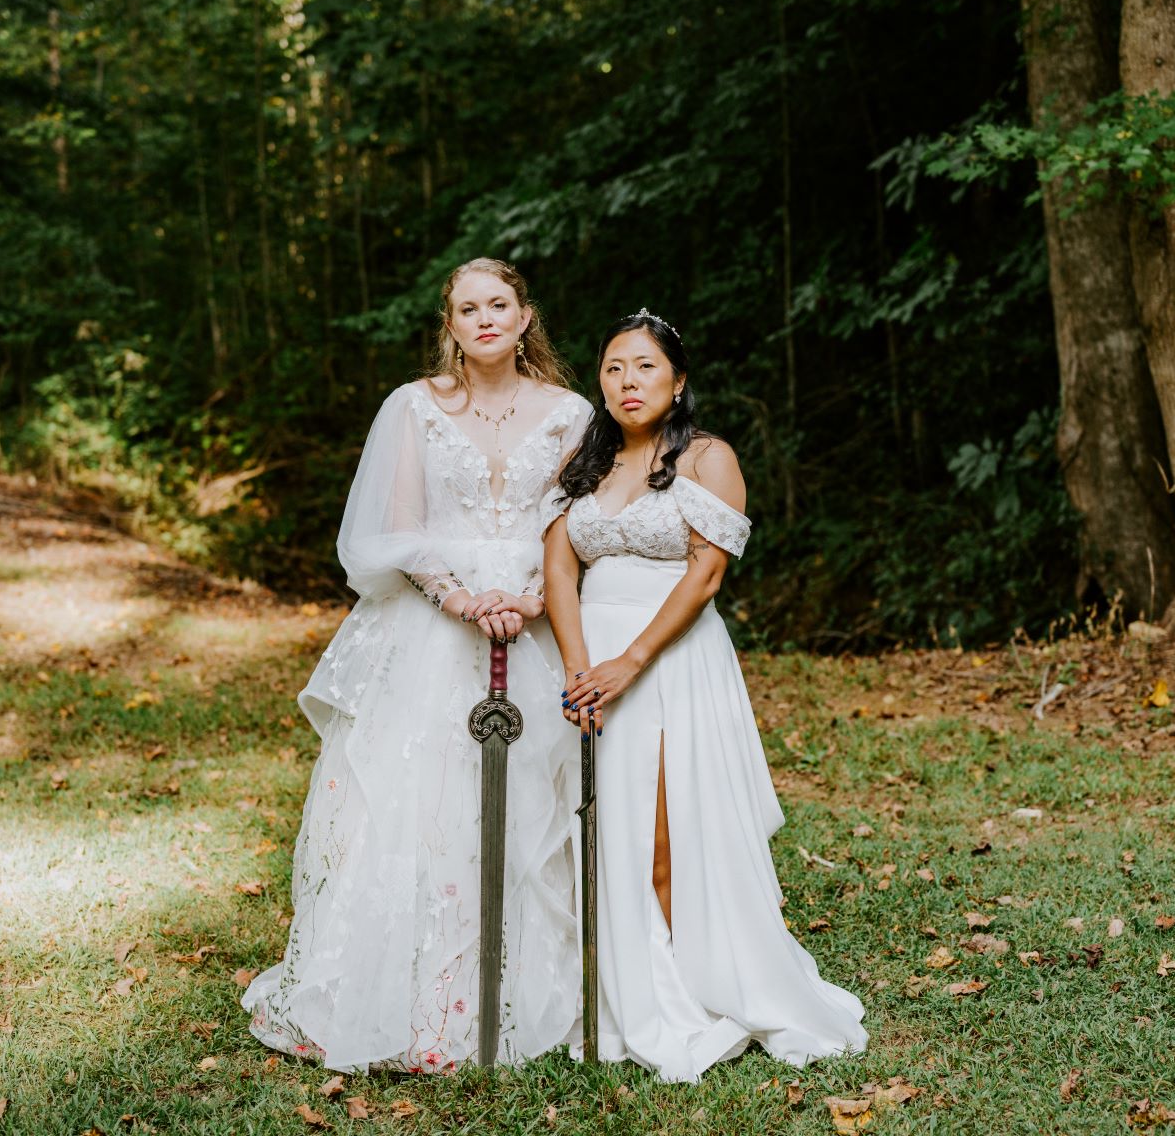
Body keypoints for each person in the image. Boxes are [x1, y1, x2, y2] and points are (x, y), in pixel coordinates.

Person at [243, 259, 592, 1072]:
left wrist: (539, 594)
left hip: (539, 621)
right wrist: (460, 597)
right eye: (467, 308)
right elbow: (392, 529)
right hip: (434, 628)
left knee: (533, 804)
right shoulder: (413, 407)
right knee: (419, 803)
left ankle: (530, 990)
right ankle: (407, 1003)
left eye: (497, 303)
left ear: (524, 314)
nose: (484, 319)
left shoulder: (572, 413)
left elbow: (578, 522)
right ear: (452, 325)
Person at [542, 310, 868, 1082]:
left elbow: (706, 573)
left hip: (672, 661)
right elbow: (560, 570)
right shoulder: (582, 466)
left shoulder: (707, 459)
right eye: (615, 367)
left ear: (678, 381)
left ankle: (684, 982)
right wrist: (580, 668)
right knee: (598, 821)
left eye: (646, 366)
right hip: (592, 666)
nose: (628, 381)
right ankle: (614, 978)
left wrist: (630, 662)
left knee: (664, 826)